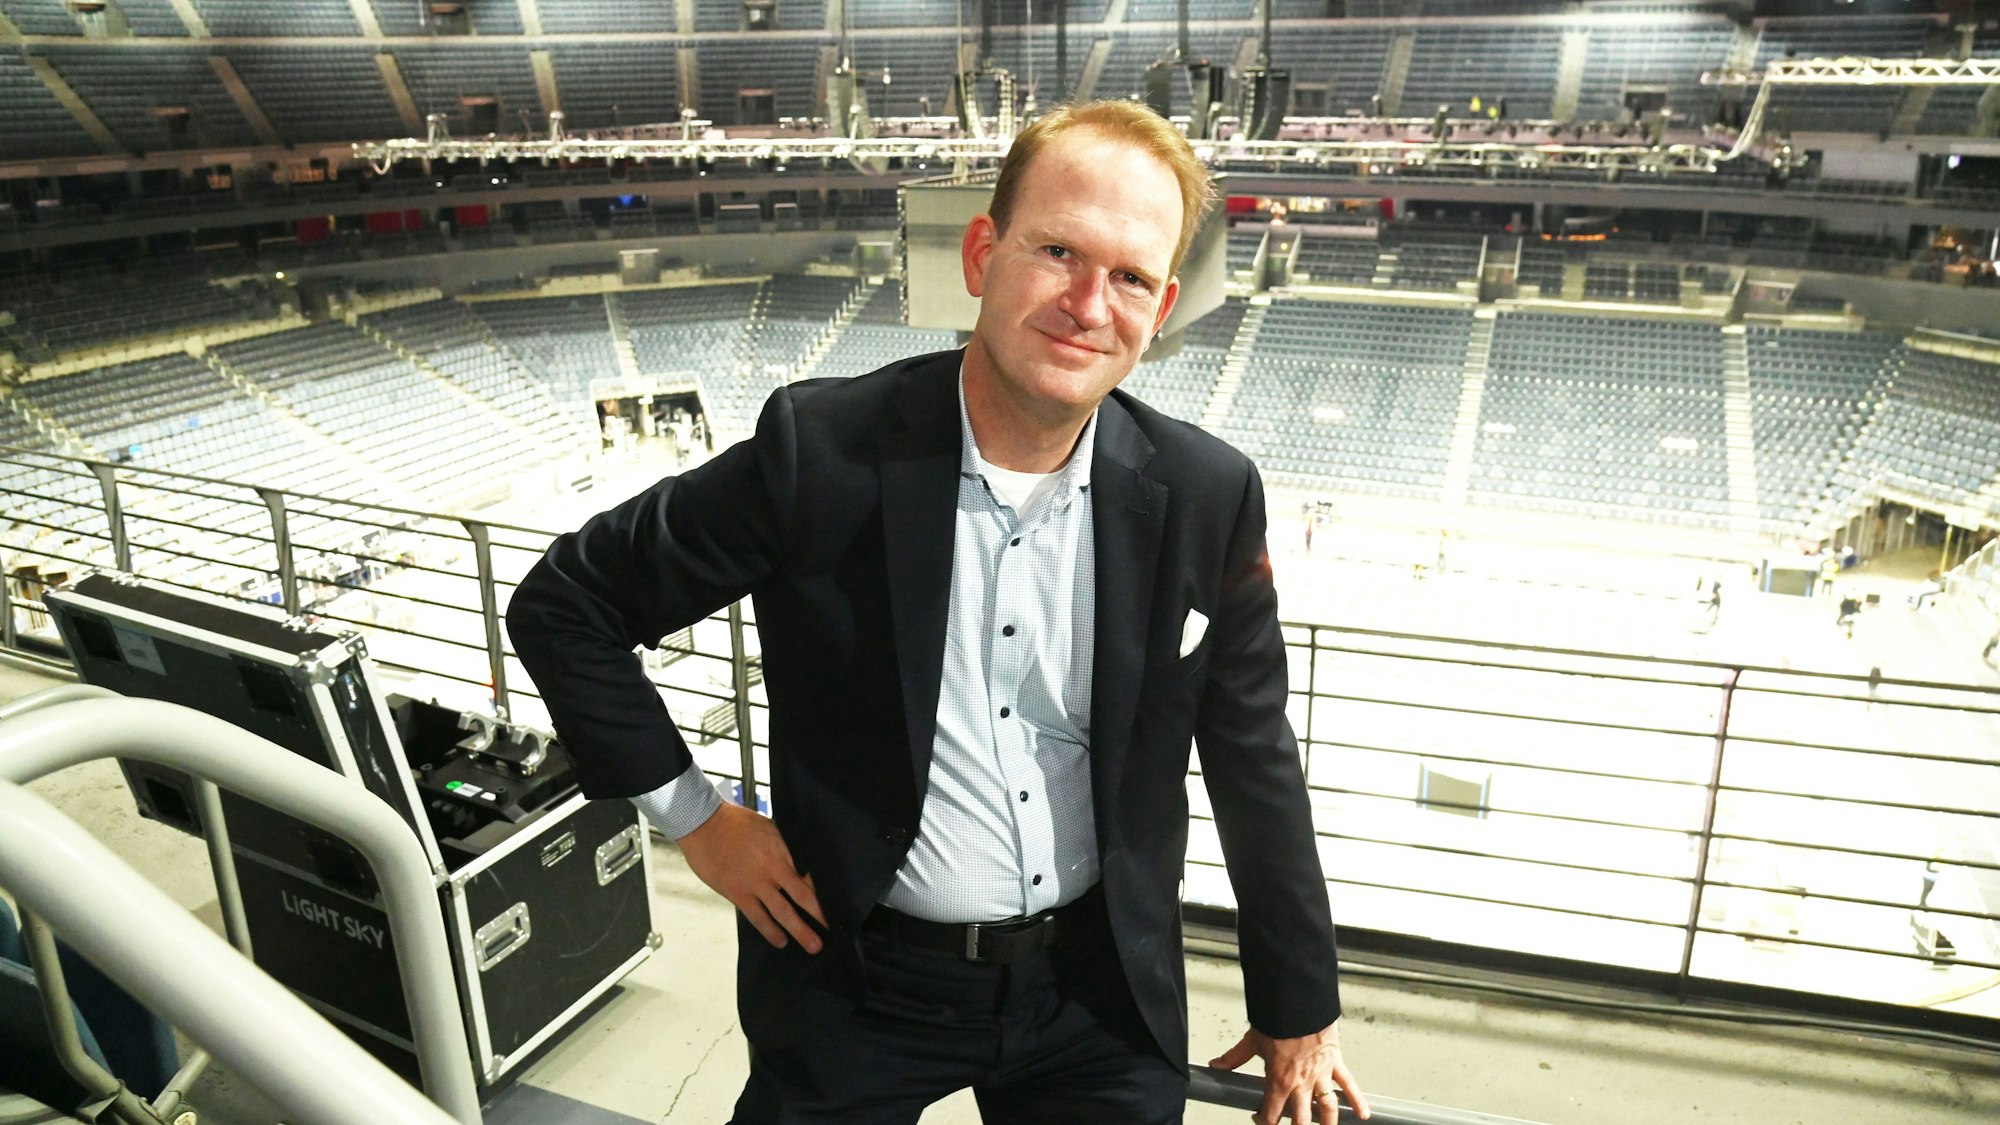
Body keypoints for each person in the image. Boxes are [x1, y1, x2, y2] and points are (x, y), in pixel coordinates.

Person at [508, 100, 1366, 1125]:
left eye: (1130, 277)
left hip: (1094, 994)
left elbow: (1251, 751)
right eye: (1058, 251)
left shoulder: (1207, 494)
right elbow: (567, 604)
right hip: (853, 980)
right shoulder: (819, 452)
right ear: (981, 254)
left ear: (1163, 305)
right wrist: (697, 819)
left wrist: (1298, 1005)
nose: (1088, 304)